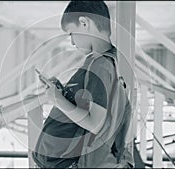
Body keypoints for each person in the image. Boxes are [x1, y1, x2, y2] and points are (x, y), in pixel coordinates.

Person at [32, 1, 134, 168]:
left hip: (68, 163)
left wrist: (58, 100)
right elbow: (89, 103)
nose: (72, 42)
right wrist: (63, 92)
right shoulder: (103, 61)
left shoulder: (100, 64)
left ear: (85, 23)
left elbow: (95, 123)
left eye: (71, 33)